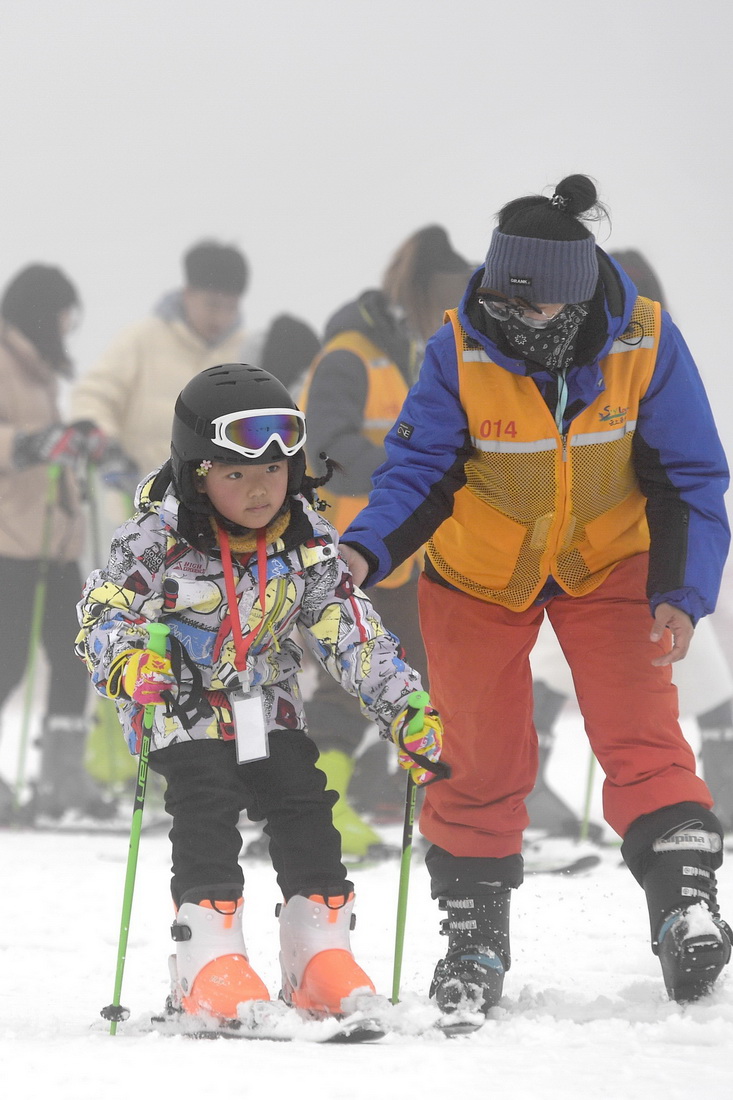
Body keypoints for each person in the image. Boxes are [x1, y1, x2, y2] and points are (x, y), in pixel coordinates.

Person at [339, 174, 732, 1010]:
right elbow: (418, 471)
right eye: (514, 308)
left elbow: (690, 475)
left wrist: (681, 591)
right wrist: (367, 551)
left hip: (609, 562)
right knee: (474, 753)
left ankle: (685, 905)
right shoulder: (459, 344)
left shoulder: (645, 341)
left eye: (549, 310)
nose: (529, 325)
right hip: (477, 572)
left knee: (640, 732)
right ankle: (474, 935)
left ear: (581, 293)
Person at [74, 363, 444, 1024]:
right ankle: (209, 961)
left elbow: (351, 633)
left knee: (301, 794)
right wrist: (131, 660)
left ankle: (318, 955)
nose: (258, 491)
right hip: (179, 704)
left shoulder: (302, 540)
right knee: (208, 794)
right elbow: (102, 616)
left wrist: (403, 708)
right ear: (197, 474)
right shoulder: (154, 539)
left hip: (262, 705)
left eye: (274, 472)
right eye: (236, 474)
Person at [527, 249, 733, 840]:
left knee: (693, 669)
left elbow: (689, 467)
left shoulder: (659, 363)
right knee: (552, 664)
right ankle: (533, 783)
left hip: (641, 545)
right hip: (579, 548)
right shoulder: (573, 367)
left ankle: (720, 777)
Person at [297, 226, 472, 857]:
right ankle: (321, 806)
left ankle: (429, 807)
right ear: (419, 292)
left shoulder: (416, 353)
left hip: (402, 555)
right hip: (347, 553)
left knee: (422, 684)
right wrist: (410, 469)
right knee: (356, 682)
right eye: (449, 295)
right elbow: (323, 448)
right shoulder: (349, 355)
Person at [0, 264, 115, 823]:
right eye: (65, 315)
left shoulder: (37, 369)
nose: (69, 327)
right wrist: (30, 444)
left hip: (51, 540)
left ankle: (62, 777)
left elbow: (44, 443)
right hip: (10, 544)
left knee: (74, 660)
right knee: (7, 665)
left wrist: (75, 443)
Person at [71, 240, 250, 479]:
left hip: (209, 506)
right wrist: (105, 445)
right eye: (212, 305)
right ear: (188, 294)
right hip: (135, 502)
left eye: (231, 307)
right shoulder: (142, 339)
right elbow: (93, 396)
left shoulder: (245, 355)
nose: (221, 317)